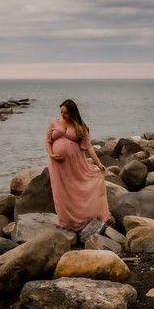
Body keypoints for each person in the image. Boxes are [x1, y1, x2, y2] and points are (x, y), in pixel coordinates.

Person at [45, 99, 111, 233]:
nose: (63, 115)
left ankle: (80, 218)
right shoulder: (54, 122)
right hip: (57, 164)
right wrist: (51, 154)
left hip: (75, 164)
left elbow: (88, 147)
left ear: (73, 113)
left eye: (66, 113)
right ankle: (65, 221)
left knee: (76, 190)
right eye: (61, 112)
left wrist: (98, 163)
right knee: (61, 192)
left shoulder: (80, 126)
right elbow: (48, 141)